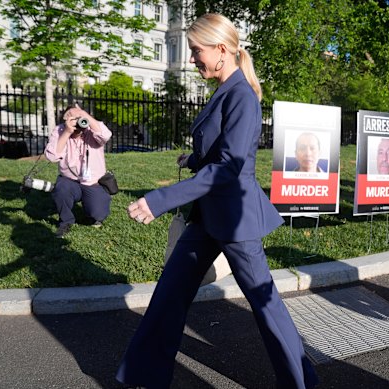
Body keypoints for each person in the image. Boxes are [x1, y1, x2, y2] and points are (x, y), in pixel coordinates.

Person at [116, 14, 318, 389]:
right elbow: (221, 150)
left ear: (221, 50)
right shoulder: (225, 91)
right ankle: (143, 377)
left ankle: (301, 383)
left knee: (266, 306)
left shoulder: (242, 96)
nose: (193, 58)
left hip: (235, 220)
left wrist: (159, 199)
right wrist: (193, 159)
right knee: (169, 295)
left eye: (196, 51)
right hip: (208, 217)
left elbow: (230, 167)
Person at [44, 104, 112, 238]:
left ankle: (93, 205)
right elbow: (52, 156)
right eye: (71, 118)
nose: (76, 122)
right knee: (62, 188)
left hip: (93, 182)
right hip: (69, 180)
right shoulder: (59, 131)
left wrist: (82, 113)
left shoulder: (92, 130)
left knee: (98, 214)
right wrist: (67, 132)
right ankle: (66, 221)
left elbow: (105, 135)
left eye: (78, 118)